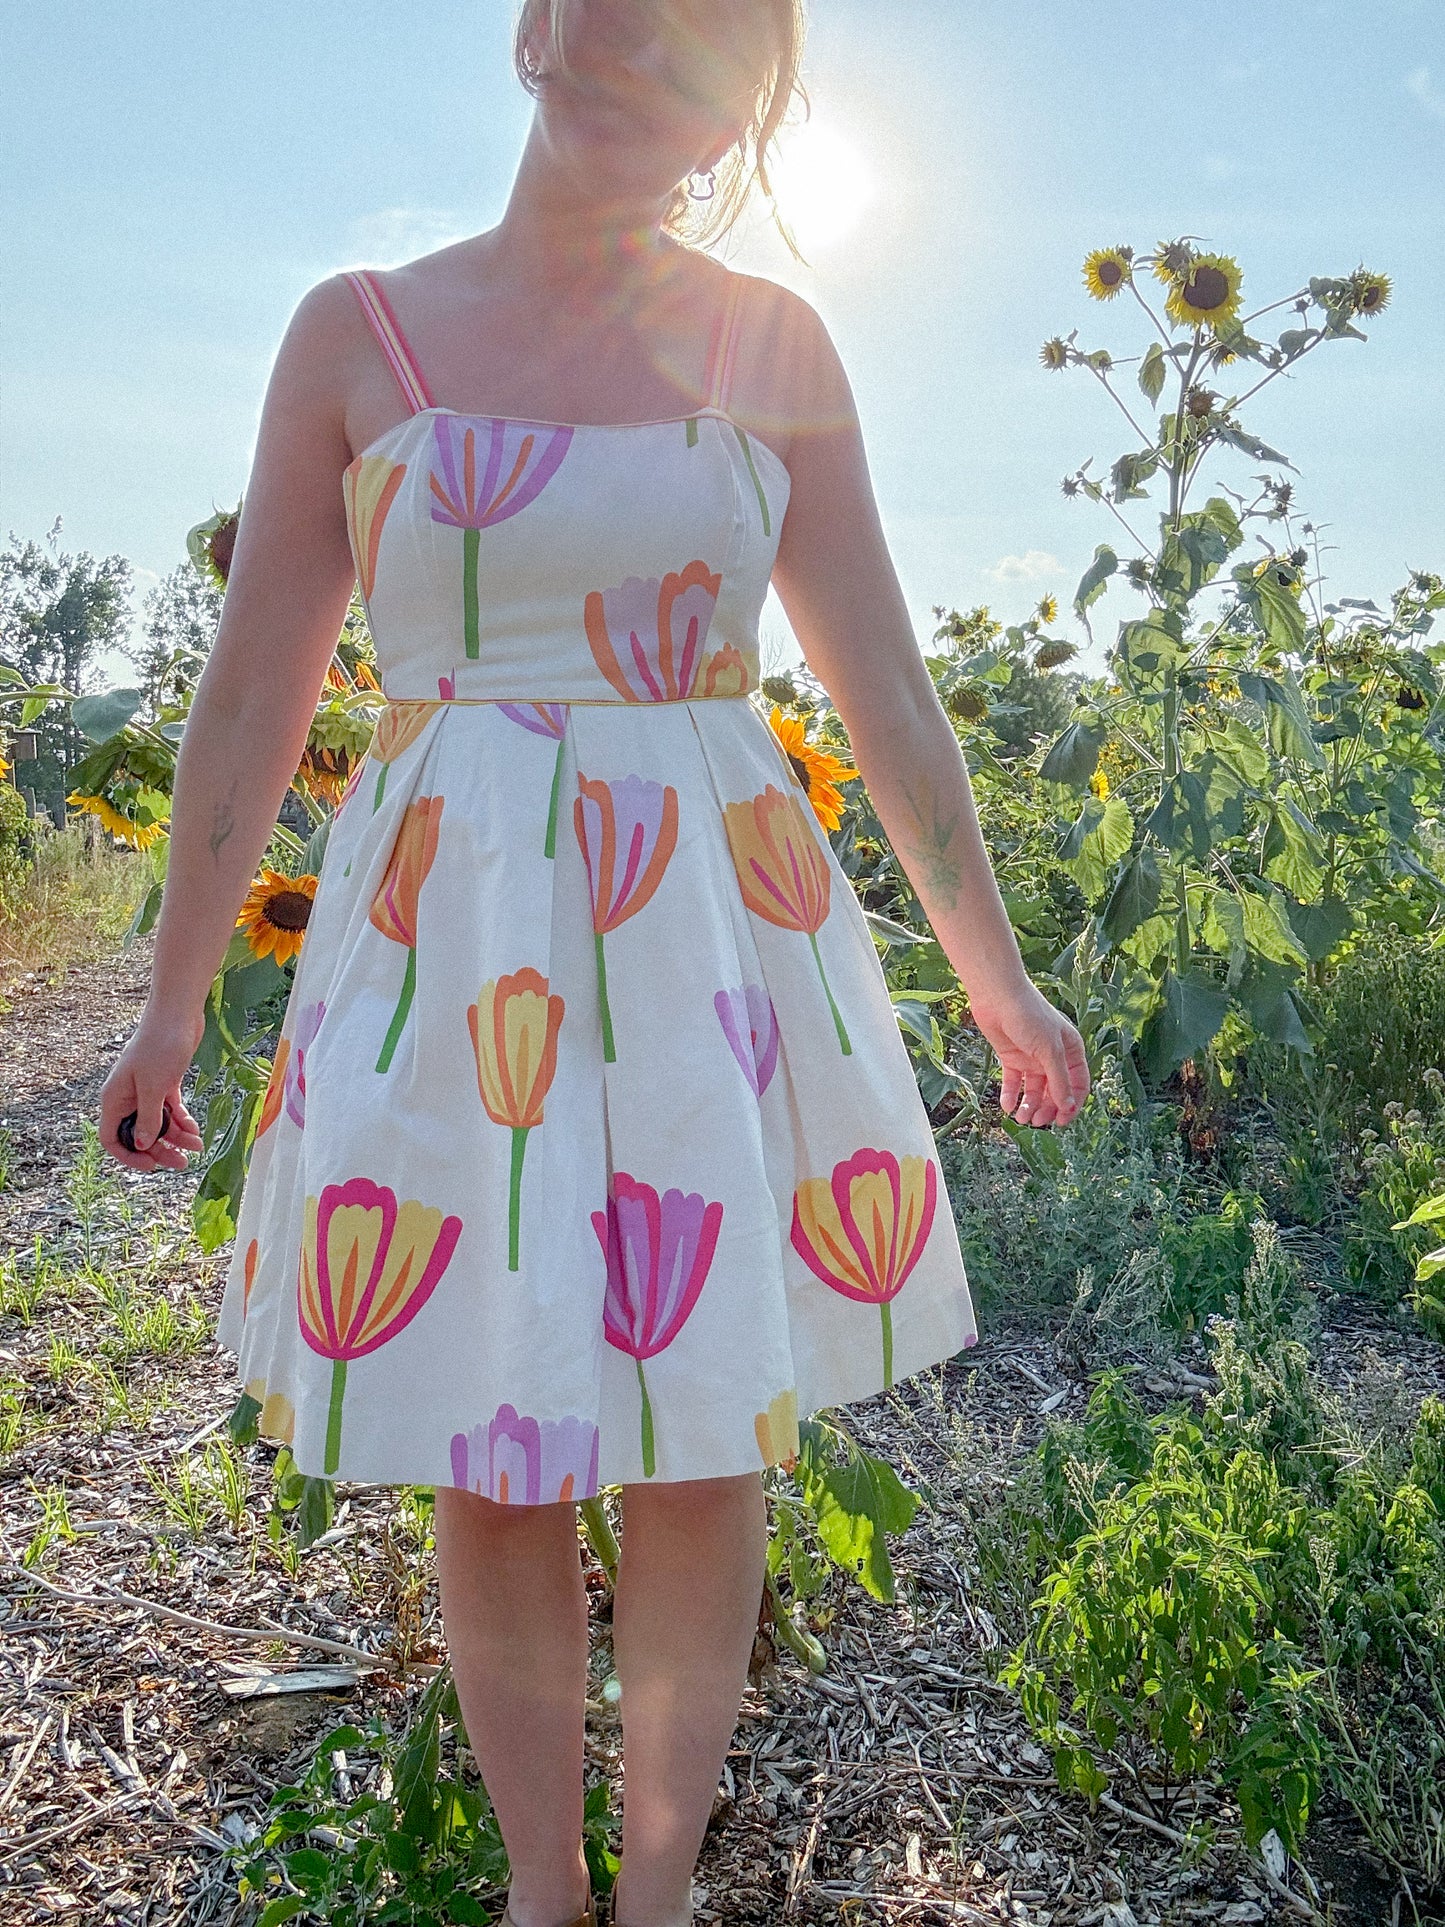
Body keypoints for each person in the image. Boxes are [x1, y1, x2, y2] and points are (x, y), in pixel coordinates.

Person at [99, 3, 1090, 1922]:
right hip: (445, 931)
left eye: (722, 50)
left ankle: (656, 1900)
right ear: (543, 30)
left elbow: (880, 684)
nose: (665, 71)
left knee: (704, 1427)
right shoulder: (358, 333)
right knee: (496, 1431)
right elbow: (252, 687)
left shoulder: (770, 345)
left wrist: (991, 968)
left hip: (708, 937)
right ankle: (545, 1899)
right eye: (635, 19)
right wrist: (163, 1000)